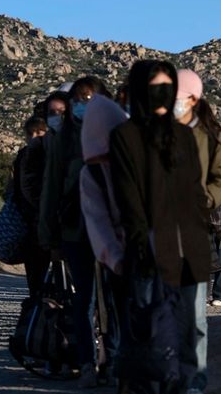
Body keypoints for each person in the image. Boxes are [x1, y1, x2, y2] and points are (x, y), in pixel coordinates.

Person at [109, 60, 211, 392]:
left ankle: (188, 384)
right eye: (156, 88)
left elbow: (195, 189)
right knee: (149, 325)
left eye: (170, 87)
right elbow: (129, 198)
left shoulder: (183, 135)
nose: (165, 96)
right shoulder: (125, 136)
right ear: (141, 90)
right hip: (150, 249)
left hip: (188, 248)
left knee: (188, 327)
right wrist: (141, 247)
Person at [38, 75, 112, 388]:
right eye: (79, 100)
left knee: (112, 299)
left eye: (90, 99)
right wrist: (49, 237)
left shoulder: (116, 133)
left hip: (112, 231)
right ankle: (87, 363)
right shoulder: (62, 140)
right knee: (85, 299)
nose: (83, 106)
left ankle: (114, 359)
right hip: (75, 231)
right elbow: (50, 190)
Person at [173, 69, 221, 392]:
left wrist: (203, 199)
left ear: (193, 99)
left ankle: (194, 379)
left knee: (194, 314)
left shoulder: (211, 136)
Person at [78, 95, 127, 386]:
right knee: (107, 307)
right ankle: (114, 364)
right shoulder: (92, 172)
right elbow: (97, 219)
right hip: (115, 254)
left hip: (143, 250)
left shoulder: (134, 163)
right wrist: (115, 256)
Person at [12, 117, 48, 298]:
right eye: (30, 133)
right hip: (32, 225)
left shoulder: (56, 153)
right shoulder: (24, 156)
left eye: (39, 132)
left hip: (52, 222)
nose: (34, 137)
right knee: (36, 281)